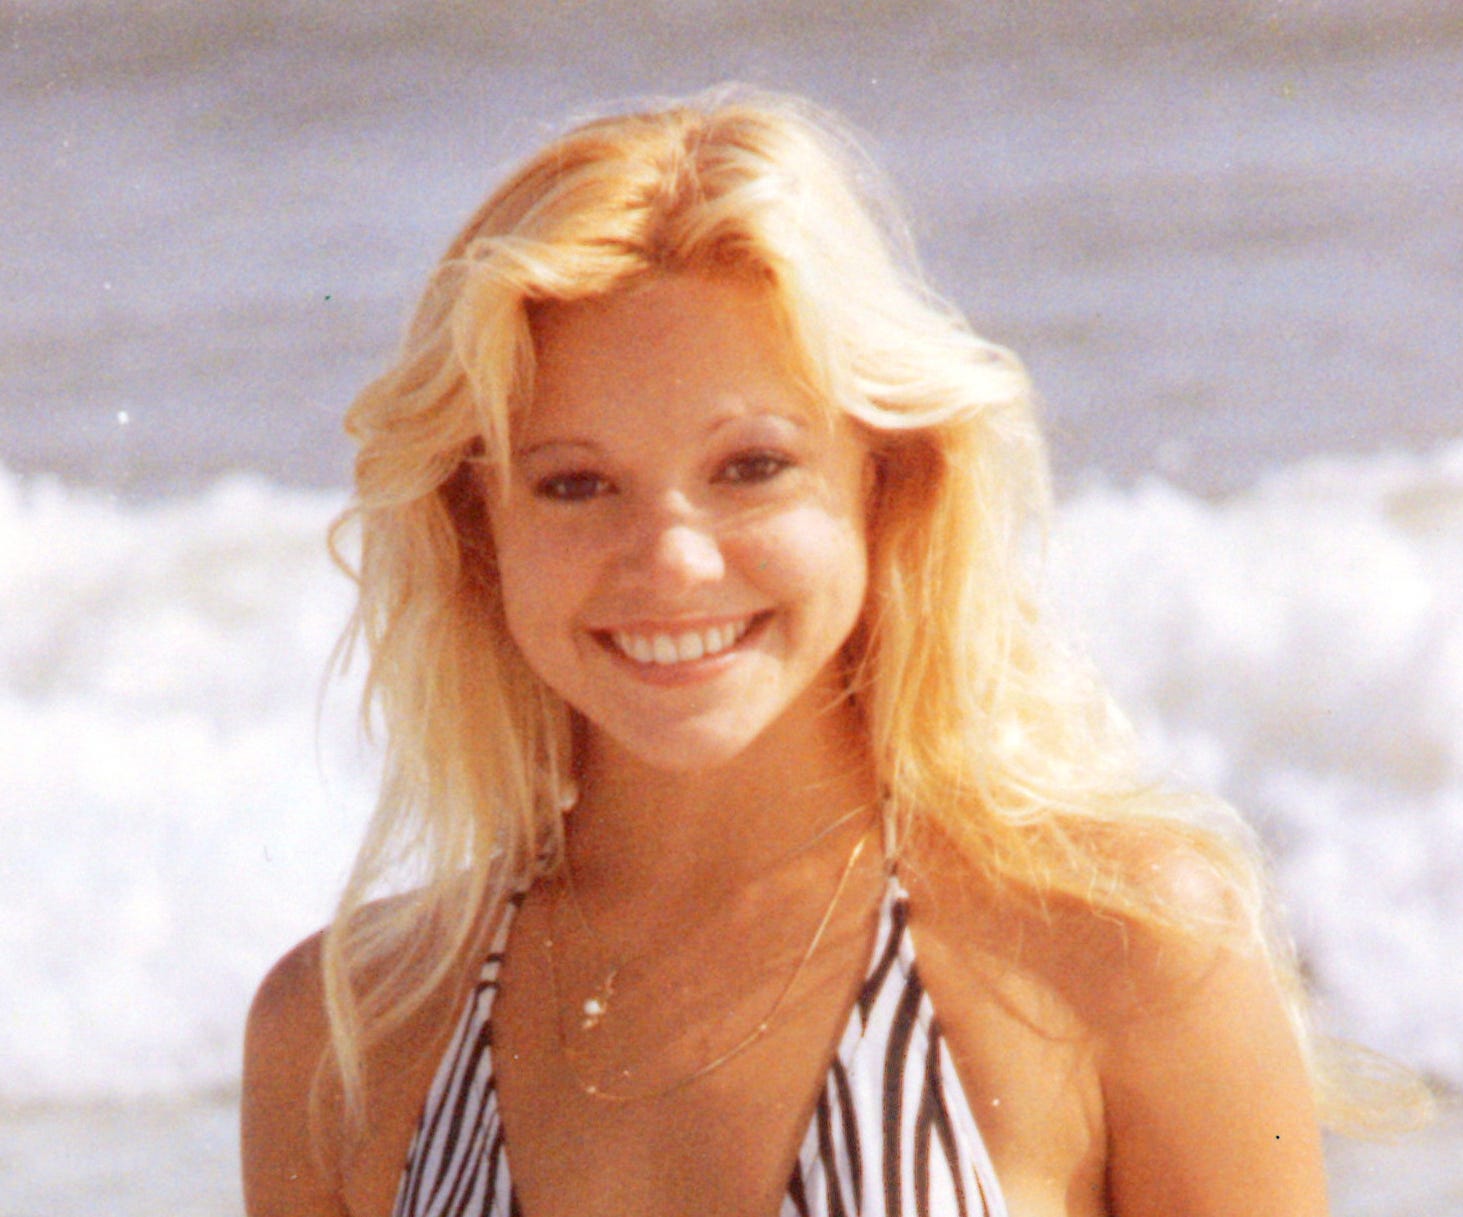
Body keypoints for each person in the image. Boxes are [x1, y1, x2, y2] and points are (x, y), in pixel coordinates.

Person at [242, 87, 1419, 1217]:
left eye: (750, 466)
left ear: (885, 481)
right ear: (478, 527)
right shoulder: (342, 1037)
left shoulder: (1126, 950)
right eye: (574, 483)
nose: (671, 558)